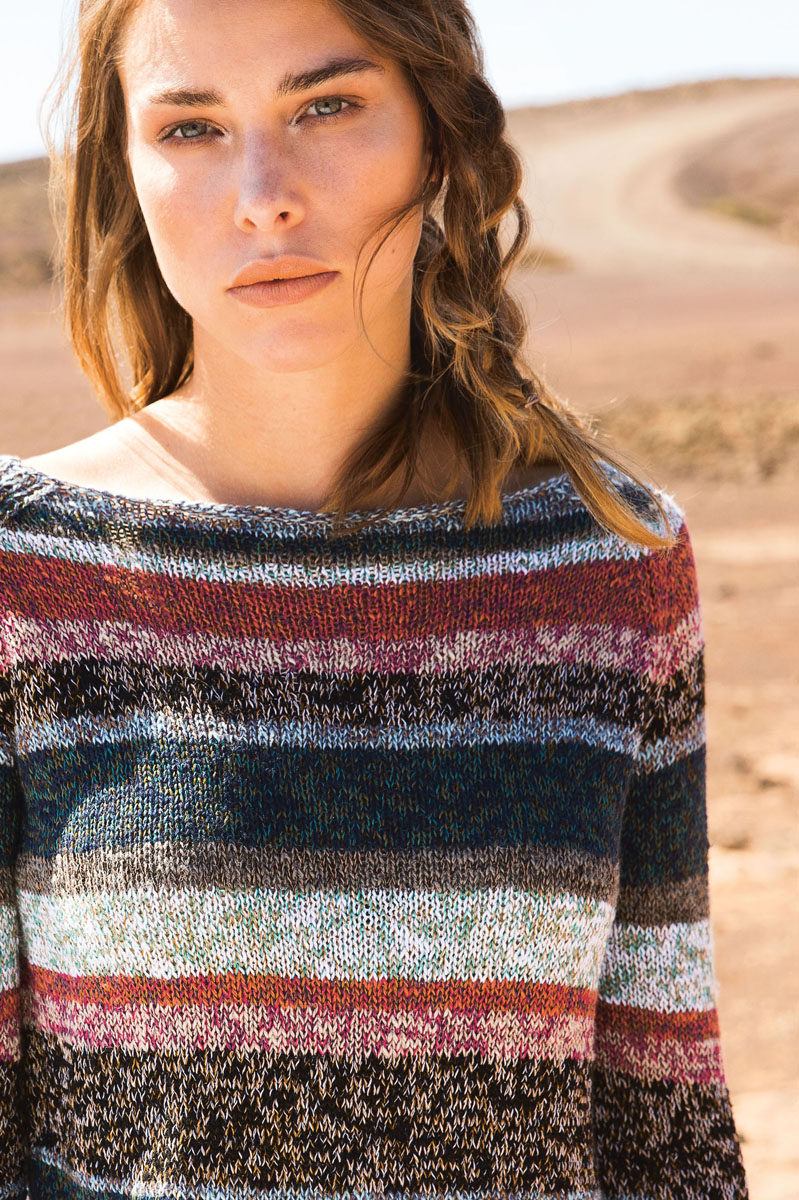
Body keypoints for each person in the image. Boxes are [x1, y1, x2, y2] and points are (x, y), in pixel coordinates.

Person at [0, 1, 749, 1197]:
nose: (264, 196)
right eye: (190, 127)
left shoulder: (610, 562)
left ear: (436, 138)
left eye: (328, 106)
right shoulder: (27, 569)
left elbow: (663, 1129)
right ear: (126, 173)